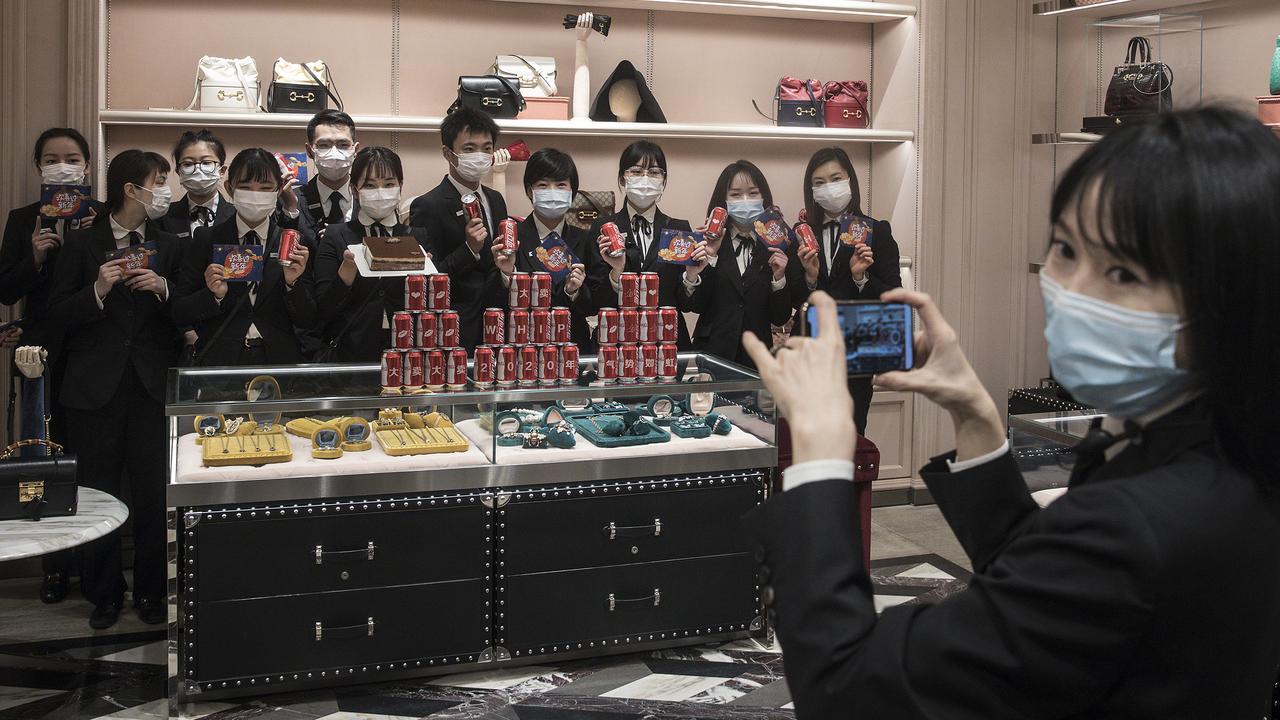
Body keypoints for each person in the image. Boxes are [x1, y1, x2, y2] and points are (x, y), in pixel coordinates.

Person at [742, 108, 1280, 717]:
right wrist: (976, 418)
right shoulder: (1221, 452)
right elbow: (1051, 598)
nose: (1070, 288)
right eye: (1065, 249)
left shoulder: (1132, 530)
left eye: (1124, 272)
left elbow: (851, 687)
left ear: (1228, 302)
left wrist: (818, 460)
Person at [46, 149, 184, 629]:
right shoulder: (82, 246)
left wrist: (164, 289)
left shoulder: (169, 244)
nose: (165, 189)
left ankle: (151, 592)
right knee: (98, 495)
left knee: (151, 496)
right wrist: (98, 291)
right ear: (131, 189)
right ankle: (103, 593)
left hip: (150, 390)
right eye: (159, 180)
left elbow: (187, 316)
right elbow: (54, 316)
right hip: (93, 391)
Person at [0, 127, 103, 605]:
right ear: (38, 166)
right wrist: (36, 257)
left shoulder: (101, 217)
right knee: (40, 458)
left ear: (87, 165)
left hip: (90, 357)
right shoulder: (22, 219)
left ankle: (95, 568)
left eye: (72, 158)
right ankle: (54, 567)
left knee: (91, 460)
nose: (62, 166)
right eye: (51, 158)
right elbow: (6, 290)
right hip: (38, 358)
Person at [172, 148, 316, 367]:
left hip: (279, 360)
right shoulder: (206, 239)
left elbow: (309, 319)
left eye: (266, 188)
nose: (255, 194)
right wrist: (213, 295)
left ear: (278, 190)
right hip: (220, 361)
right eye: (246, 187)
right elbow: (180, 311)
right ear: (230, 188)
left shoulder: (293, 242)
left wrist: (292, 284)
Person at [798, 146, 902, 434]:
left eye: (835, 178)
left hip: (855, 358)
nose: (828, 188)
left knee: (850, 442)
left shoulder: (876, 231)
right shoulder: (804, 233)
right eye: (819, 183)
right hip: (810, 356)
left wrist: (861, 279)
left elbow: (894, 296)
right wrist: (809, 278)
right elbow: (792, 300)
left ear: (850, 181)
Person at [681, 160, 801, 368]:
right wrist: (710, 258)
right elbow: (694, 305)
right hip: (712, 354)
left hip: (758, 356)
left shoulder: (778, 245)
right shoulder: (706, 241)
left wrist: (779, 279)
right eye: (735, 194)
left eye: (753, 193)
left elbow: (780, 317)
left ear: (764, 198)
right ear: (723, 200)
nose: (745, 200)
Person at [313, 146, 428, 362]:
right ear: (355, 190)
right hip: (351, 354)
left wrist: (426, 280)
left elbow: (432, 306)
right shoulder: (337, 236)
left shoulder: (417, 237)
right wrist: (344, 277)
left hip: (409, 352)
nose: (380, 191)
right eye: (369, 185)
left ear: (400, 187)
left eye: (389, 184)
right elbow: (322, 309)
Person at [409, 108, 508, 350]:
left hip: (498, 324)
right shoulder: (427, 205)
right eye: (469, 149)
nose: (480, 156)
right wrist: (469, 250)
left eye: (487, 148)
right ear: (448, 153)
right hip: (454, 330)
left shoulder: (495, 199)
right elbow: (429, 279)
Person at [587, 140, 694, 349]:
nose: (645, 178)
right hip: (615, 342)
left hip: (668, 342)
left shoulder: (678, 230)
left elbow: (687, 304)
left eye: (654, 172)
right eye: (636, 171)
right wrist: (616, 272)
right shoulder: (603, 228)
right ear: (622, 179)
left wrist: (691, 277)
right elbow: (595, 300)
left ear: (663, 181)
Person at [487, 148, 595, 350]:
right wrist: (506, 273)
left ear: (572, 192)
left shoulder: (584, 239)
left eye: (561, 185)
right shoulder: (511, 236)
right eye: (543, 186)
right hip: (521, 347)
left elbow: (592, 305)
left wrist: (574, 292)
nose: (552, 192)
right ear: (530, 191)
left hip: (571, 347)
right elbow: (492, 303)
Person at [295, 109, 360, 246]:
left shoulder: (370, 198)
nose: (334, 153)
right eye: (324, 145)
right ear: (309, 151)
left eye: (343, 145)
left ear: (355, 150)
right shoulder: (293, 202)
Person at [158, 129, 234, 240]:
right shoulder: (162, 216)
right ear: (179, 172)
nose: (198, 170)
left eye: (206, 163)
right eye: (188, 164)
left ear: (221, 171)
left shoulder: (236, 215)